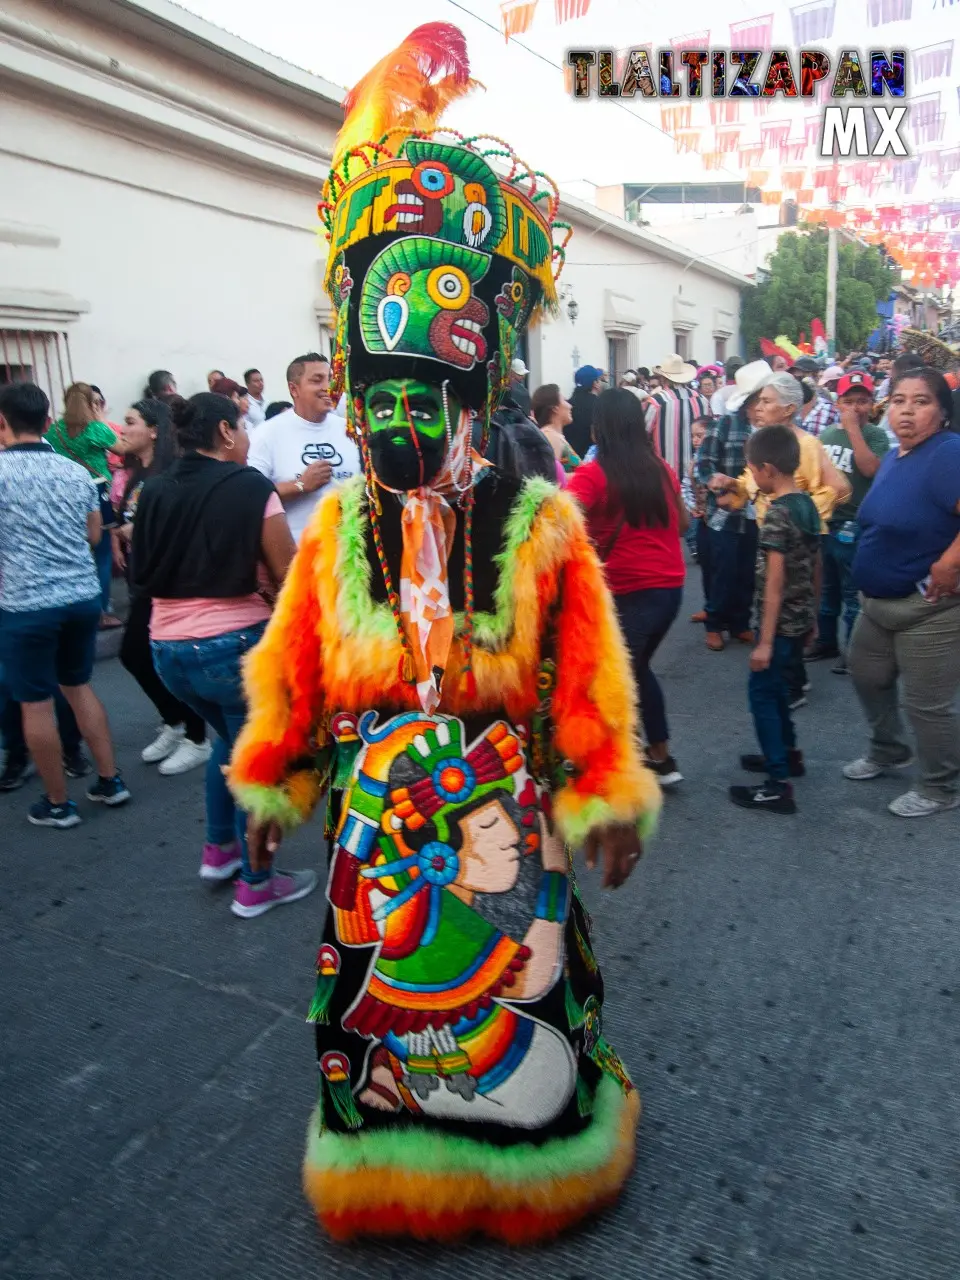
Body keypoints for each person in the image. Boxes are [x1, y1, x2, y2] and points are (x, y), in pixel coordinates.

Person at [228, 31, 658, 1243]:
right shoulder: (334, 536)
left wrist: (607, 789)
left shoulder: (537, 523)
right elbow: (295, 669)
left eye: (429, 394)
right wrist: (273, 772)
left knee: (523, 991)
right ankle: (395, 1168)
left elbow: (586, 673)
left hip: (502, 812)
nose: (402, 415)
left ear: (473, 400)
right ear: (358, 402)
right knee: (384, 997)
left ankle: (536, 1163)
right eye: (384, 395)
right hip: (376, 821)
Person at [133, 391, 313, 899]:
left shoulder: (157, 487)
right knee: (258, 763)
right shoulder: (251, 487)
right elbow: (289, 572)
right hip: (232, 649)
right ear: (227, 432)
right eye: (242, 427)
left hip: (166, 648)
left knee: (227, 747)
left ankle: (220, 852)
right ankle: (257, 882)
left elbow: (140, 567)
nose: (249, 436)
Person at [0, 382, 130, 828]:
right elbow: (94, 534)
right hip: (80, 598)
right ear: (46, 422)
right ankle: (110, 780)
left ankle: (57, 803)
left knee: (35, 702)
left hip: (25, 604)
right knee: (78, 686)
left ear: (3, 423)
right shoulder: (75, 472)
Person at [844, 368, 960, 818]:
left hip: (929, 608)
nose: (906, 409)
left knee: (927, 705)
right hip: (876, 604)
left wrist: (949, 562)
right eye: (897, 400)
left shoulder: (947, 453)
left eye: (921, 400)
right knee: (866, 676)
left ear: (943, 412)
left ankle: (939, 786)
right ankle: (889, 749)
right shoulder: (898, 455)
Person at [569, 388, 686, 787]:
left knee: (609, 677)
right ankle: (661, 758)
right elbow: (684, 524)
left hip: (629, 592)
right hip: (670, 589)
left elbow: (558, 522)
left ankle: (610, 764)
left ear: (599, 427)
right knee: (635, 670)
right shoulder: (661, 468)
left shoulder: (594, 474)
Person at [711, 372, 850, 703]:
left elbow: (840, 488)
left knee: (789, 602)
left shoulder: (808, 445)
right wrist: (730, 483)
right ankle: (792, 674)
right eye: (759, 401)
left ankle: (787, 681)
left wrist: (796, 511)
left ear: (789, 409)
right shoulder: (764, 441)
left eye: (767, 401)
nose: (759, 407)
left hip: (799, 540)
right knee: (774, 599)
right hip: (768, 533)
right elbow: (750, 484)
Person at [112, 399, 211, 775]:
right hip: (143, 575)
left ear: (154, 430)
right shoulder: (139, 471)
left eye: (131, 421)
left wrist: (135, 530)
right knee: (143, 656)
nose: (124, 429)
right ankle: (176, 722)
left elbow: (179, 523)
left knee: (153, 655)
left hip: (167, 579)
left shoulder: (170, 473)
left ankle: (197, 736)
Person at [729, 425, 820, 816]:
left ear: (767, 468)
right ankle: (788, 754)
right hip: (798, 621)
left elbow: (774, 584)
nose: (751, 477)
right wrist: (813, 615)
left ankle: (777, 783)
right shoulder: (807, 505)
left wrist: (763, 641)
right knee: (780, 690)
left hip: (779, 625)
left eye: (752, 471)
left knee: (762, 694)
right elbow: (816, 565)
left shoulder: (778, 515)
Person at [809, 372, 889, 673]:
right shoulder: (827, 435)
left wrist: (854, 430)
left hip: (853, 525)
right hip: (827, 522)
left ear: (871, 403)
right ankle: (826, 641)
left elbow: (870, 469)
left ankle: (854, 651)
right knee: (827, 588)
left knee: (851, 592)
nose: (855, 407)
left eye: (862, 400)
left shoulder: (875, 435)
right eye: (848, 401)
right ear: (838, 403)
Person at [695, 360, 771, 652]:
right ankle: (714, 624)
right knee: (723, 571)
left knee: (746, 571)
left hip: (757, 515)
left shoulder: (770, 429)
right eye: (760, 399)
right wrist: (715, 479)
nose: (763, 405)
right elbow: (703, 461)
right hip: (725, 514)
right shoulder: (727, 424)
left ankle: (740, 623)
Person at [247, 353, 360, 543]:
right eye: (317, 380)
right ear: (294, 389)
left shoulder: (351, 430)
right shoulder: (266, 434)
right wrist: (300, 485)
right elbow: (250, 495)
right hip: (299, 557)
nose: (328, 387)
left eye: (331, 379)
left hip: (351, 556)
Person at [45, 382, 122, 629]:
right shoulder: (95, 428)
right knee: (102, 552)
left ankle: (74, 604)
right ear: (92, 403)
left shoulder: (55, 431)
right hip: (97, 489)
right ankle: (101, 610)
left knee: (74, 548)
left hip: (66, 493)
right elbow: (121, 447)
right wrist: (100, 418)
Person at [644, 353, 709, 478]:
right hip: (697, 477)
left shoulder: (656, 402)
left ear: (663, 379)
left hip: (666, 477)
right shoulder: (702, 401)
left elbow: (642, 436)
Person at [684, 416, 711, 619]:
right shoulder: (692, 462)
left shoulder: (714, 459)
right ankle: (710, 606)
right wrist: (692, 506)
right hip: (700, 517)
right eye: (693, 436)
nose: (695, 440)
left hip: (717, 519)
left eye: (699, 435)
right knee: (707, 564)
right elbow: (686, 486)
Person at [530, 383, 581, 473]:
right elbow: (552, 477)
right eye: (565, 401)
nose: (570, 406)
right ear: (555, 408)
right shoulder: (551, 436)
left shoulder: (553, 435)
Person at [566, 364, 605, 458]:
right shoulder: (600, 404)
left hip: (570, 459)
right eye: (599, 380)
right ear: (595, 383)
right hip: (592, 459)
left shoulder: (567, 405)